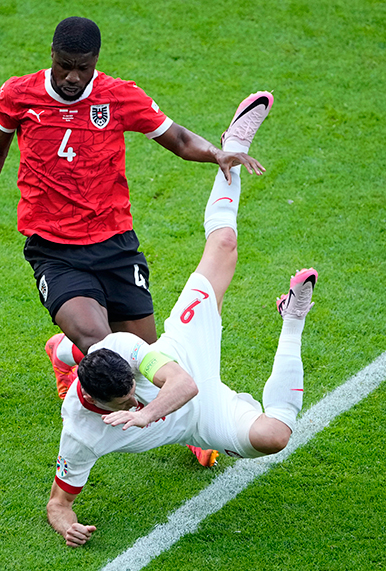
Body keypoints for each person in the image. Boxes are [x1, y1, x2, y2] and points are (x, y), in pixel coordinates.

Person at [0, 16, 267, 400]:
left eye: (83, 68)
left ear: (95, 60)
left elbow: (177, 138)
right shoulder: (19, 95)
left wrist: (215, 152)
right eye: (64, 65)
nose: (72, 77)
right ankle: (172, 419)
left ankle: (63, 353)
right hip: (55, 250)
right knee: (103, 343)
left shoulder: (118, 96)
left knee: (147, 356)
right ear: (52, 56)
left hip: (115, 245)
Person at [45, 93, 317, 547]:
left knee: (224, 247)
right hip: (198, 421)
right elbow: (59, 503)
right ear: (92, 400)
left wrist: (144, 413)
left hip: (184, 358)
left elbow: (184, 384)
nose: (132, 398)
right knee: (274, 437)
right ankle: (294, 322)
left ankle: (233, 146)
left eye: (132, 386)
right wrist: (65, 524)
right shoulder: (79, 433)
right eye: (123, 400)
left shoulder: (126, 352)